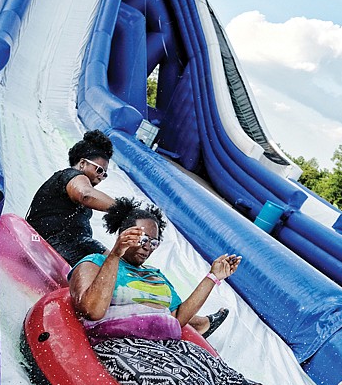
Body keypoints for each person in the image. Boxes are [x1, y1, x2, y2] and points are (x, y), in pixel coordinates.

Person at [69, 198, 342, 385]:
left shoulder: (155, 276)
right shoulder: (94, 263)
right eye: (142, 238)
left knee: (226, 379)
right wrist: (116, 254)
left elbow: (179, 317)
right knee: (181, 382)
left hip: (168, 345)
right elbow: (92, 309)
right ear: (123, 232)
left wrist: (213, 277)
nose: (147, 246)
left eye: (154, 242)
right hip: (123, 346)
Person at [26, 130, 227, 337]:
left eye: (105, 173)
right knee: (115, 265)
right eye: (99, 170)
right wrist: (126, 210)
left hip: (76, 244)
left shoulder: (78, 194)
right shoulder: (70, 176)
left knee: (124, 266)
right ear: (82, 163)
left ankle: (188, 318)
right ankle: (192, 321)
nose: (101, 177)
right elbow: (85, 194)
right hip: (51, 242)